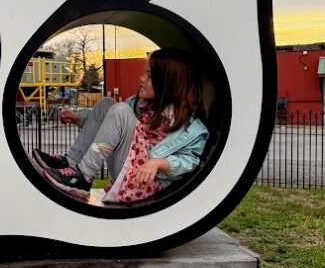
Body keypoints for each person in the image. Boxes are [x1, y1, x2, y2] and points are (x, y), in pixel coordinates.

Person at [33, 48, 209, 205]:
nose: (141, 78)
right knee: (106, 104)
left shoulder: (191, 128)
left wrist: (158, 163)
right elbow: (112, 124)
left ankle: (83, 177)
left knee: (120, 109)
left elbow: (189, 160)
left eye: (149, 75)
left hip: (142, 182)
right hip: (126, 165)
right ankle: (71, 162)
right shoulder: (142, 104)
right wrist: (79, 117)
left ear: (168, 84)